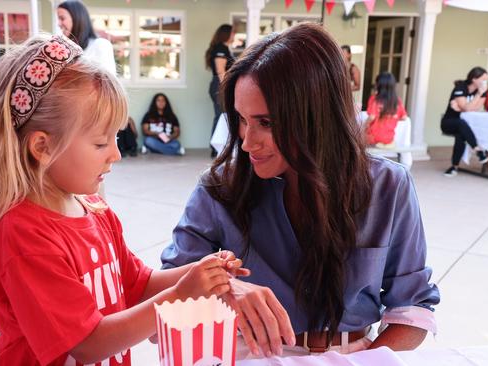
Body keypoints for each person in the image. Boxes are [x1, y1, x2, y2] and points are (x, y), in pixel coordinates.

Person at [0, 34, 246, 366]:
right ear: (42, 147)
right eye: (101, 143)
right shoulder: (21, 234)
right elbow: (87, 343)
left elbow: (138, 285)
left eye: (116, 137)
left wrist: (200, 273)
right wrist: (180, 294)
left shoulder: (94, 211)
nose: (115, 154)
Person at [162, 23, 440, 358]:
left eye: (267, 123)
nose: (247, 142)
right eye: (241, 119)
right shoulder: (220, 186)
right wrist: (227, 287)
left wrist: (367, 360)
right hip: (252, 356)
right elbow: (166, 294)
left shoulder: (388, 186)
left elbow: (412, 311)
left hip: (357, 357)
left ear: (319, 116)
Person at [441, 67, 488, 177]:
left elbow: (474, 108)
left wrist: (462, 108)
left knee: (460, 134)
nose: (485, 83)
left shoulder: (483, 92)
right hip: (449, 122)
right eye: (483, 79)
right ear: (474, 79)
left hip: (464, 125)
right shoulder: (460, 87)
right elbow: (467, 108)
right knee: (460, 123)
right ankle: (477, 149)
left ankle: (454, 167)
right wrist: (476, 97)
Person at [57, 0, 116, 75]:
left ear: (76, 19)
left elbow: (108, 82)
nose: (58, 23)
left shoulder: (101, 45)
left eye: (62, 18)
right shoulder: (66, 49)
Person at [206, 24, 235, 158]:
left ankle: (219, 145)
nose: (234, 35)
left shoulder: (223, 48)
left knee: (222, 115)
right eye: (233, 32)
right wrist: (226, 87)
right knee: (221, 116)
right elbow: (220, 70)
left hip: (220, 85)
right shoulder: (220, 48)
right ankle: (216, 147)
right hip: (220, 85)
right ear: (226, 34)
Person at [365, 72, 407, 147]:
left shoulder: (375, 99)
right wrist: (392, 117)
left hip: (374, 139)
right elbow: (404, 118)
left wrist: (363, 125)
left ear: (379, 85)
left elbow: (372, 117)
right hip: (389, 139)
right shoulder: (397, 101)